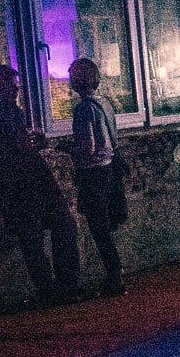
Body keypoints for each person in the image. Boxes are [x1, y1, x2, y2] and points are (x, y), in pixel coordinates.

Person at [0, 64, 82, 305]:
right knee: (33, 237)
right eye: (11, 86)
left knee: (62, 226)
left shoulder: (12, 112)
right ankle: (50, 289)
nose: (16, 90)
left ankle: (65, 285)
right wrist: (18, 149)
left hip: (34, 179)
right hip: (15, 185)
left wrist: (30, 142)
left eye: (16, 86)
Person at [68, 58, 126, 297]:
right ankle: (115, 273)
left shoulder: (84, 109)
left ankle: (114, 275)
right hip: (109, 168)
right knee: (104, 226)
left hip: (93, 173)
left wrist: (68, 149)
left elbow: (88, 147)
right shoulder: (105, 104)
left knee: (99, 227)